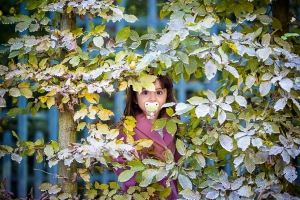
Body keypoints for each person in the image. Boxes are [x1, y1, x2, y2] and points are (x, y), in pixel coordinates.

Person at [114, 74, 180, 200]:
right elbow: (120, 163)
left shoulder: (173, 124)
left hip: (168, 194)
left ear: (167, 96)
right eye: (145, 92)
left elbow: (178, 161)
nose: (152, 98)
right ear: (134, 97)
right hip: (141, 193)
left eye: (159, 92)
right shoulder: (127, 128)